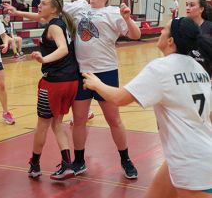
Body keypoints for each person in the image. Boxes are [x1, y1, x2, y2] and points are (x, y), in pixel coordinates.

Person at [83, 17, 212, 198]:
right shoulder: (198, 68)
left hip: (189, 160)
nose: (160, 31)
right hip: (195, 151)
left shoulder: (161, 68)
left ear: (170, 40)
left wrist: (96, 83)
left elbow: (119, 98)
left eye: (164, 29)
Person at [36, 0, 141, 179]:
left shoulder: (113, 12)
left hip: (106, 72)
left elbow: (136, 35)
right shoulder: (80, 7)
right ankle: (79, 161)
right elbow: (56, 5)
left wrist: (128, 19)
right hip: (81, 73)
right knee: (79, 119)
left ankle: (126, 159)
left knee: (114, 119)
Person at [4, 0, 79, 180]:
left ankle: (35, 164)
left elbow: (63, 48)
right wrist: (17, 12)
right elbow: (37, 16)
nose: (39, 5)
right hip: (70, 80)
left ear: (53, 8)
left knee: (42, 125)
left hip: (55, 82)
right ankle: (68, 164)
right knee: (57, 123)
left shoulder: (54, 27)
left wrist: (43, 58)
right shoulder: (60, 20)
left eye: (43, 3)